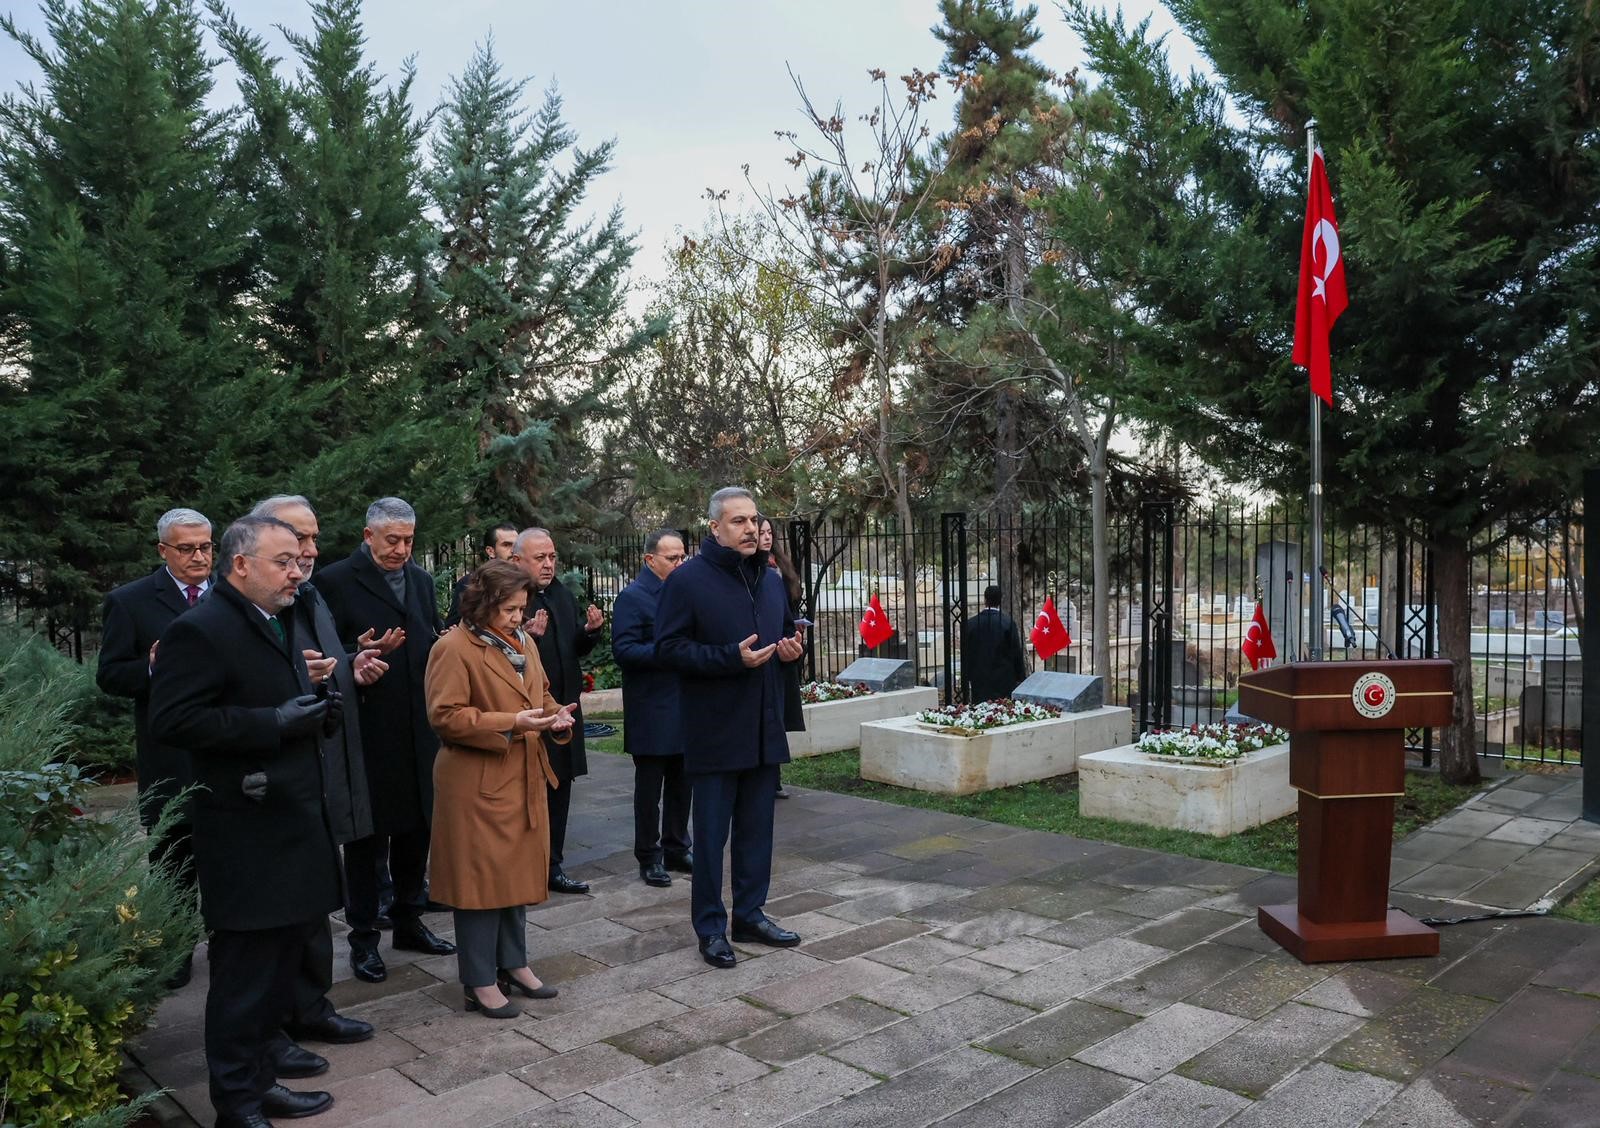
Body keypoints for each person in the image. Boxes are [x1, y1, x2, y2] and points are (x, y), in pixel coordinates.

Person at [149, 515, 342, 1127]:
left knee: (281, 964)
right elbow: (176, 722)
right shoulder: (200, 629)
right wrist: (275, 722)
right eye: (284, 560)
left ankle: (262, 1079)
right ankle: (236, 1104)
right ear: (241, 565)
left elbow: (271, 702)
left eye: (299, 560)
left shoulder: (274, 619)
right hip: (245, 831)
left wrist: (317, 710)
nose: (298, 569)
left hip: (291, 819)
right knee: (244, 977)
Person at [249, 495, 386, 1056]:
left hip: (327, 769)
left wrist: (351, 667)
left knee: (313, 900)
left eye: (312, 539)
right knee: (279, 910)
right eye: (296, 540)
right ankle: (274, 1027)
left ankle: (310, 1007)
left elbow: (322, 671)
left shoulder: (308, 595)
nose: (309, 551)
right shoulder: (246, 610)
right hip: (279, 785)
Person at [655, 487, 806, 969]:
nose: (748, 528)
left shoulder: (770, 580)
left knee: (757, 832)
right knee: (712, 836)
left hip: (762, 725)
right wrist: (728, 657)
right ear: (715, 528)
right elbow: (669, 649)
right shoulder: (688, 582)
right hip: (715, 729)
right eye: (737, 521)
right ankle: (710, 928)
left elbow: (780, 637)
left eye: (752, 519)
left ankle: (750, 914)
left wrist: (789, 652)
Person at [425, 560, 574, 1018]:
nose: (517, 616)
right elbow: (444, 716)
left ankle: (513, 963)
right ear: (484, 603)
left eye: (521, 608)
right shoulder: (453, 647)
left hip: (521, 777)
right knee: (480, 884)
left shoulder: (525, 641)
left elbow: (540, 693)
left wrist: (555, 717)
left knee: (515, 876)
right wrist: (512, 722)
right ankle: (479, 980)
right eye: (509, 608)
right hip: (476, 784)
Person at [315, 498, 455, 982]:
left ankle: (410, 920)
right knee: (367, 837)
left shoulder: (420, 579)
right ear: (368, 535)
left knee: (418, 826)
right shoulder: (333, 581)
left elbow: (425, 637)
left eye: (409, 540)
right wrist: (359, 655)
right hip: (369, 727)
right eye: (391, 540)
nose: (401, 549)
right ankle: (362, 938)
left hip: (419, 726)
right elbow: (318, 654)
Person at [95, 507, 213, 988]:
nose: (199, 556)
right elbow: (109, 675)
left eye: (206, 546)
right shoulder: (131, 601)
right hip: (169, 757)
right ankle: (178, 947)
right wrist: (148, 668)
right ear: (163, 551)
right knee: (174, 858)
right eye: (186, 548)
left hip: (229, 746)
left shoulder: (234, 591)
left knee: (230, 852)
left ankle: (233, 940)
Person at [512, 527, 603, 895]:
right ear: (517, 561)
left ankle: (553, 865)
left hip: (565, 711)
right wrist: (525, 638)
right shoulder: (511, 600)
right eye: (540, 558)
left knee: (561, 788)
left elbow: (571, 649)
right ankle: (524, 866)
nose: (549, 564)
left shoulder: (561, 595)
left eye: (551, 557)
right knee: (529, 792)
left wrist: (591, 632)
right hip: (529, 715)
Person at [611, 529, 691, 887]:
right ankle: (649, 855)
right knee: (650, 789)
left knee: (683, 782)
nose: (679, 564)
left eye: (682, 557)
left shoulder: (687, 592)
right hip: (651, 707)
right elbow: (624, 651)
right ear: (649, 560)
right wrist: (667, 651)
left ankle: (677, 847)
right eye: (672, 558)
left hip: (686, 702)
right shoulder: (633, 597)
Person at [758, 517, 805, 799]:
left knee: (776, 716)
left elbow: (786, 611)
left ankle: (773, 777)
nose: (764, 537)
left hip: (780, 649)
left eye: (767, 532)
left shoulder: (777, 572)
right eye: (759, 531)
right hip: (762, 651)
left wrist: (792, 634)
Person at [961, 584, 1027, 703]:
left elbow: (966, 652)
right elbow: (1015, 651)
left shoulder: (971, 624)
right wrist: (1020, 676)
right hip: (1003, 677)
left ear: (985, 600)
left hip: (979, 677)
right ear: (1000, 600)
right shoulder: (1008, 623)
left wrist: (967, 675)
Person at [445, 522, 519, 627]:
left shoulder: (526, 581)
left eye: (516, 545)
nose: (513, 551)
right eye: (506, 545)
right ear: (490, 551)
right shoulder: (471, 582)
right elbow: (453, 625)